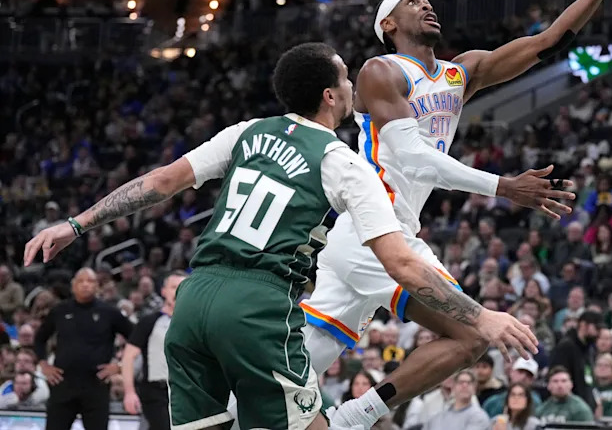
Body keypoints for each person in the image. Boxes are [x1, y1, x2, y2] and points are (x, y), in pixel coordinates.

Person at [26, 43, 537, 430]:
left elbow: (160, 182)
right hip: (258, 307)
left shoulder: (245, 132)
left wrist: (76, 224)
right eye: (346, 77)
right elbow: (401, 264)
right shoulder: (343, 162)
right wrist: (481, 316)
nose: (353, 85)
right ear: (331, 95)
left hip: (194, 299)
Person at [319, 0, 612, 430]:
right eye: (412, 2)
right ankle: (351, 418)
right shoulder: (380, 71)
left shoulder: (461, 73)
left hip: (396, 231)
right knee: (473, 333)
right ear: (388, 23)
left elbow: (549, 41)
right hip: (372, 230)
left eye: (428, 1)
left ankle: (257, 413)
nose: (427, 6)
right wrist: (505, 186)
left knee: (297, 361)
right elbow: (414, 159)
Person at [33, 268, 131, 430]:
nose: (85, 285)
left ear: (97, 286)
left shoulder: (109, 312)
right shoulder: (60, 310)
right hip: (63, 383)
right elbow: (39, 339)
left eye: (90, 281)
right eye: (81, 281)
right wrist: (44, 364)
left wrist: (120, 366)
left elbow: (135, 338)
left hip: (96, 384)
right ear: (73, 286)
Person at [121, 270, 188, 430]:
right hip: (156, 391)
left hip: (187, 391)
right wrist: (129, 392)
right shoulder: (150, 321)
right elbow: (128, 357)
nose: (178, 292)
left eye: (183, 287)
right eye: (174, 287)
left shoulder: (197, 322)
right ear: (163, 291)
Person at [549, 310, 603, 409]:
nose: (598, 333)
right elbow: (557, 375)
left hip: (586, 406)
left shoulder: (588, 349)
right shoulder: (566, 347)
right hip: (569, 408)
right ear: (583, 325)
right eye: (597, 328)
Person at [422, 370, 489, 430]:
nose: (464, 385)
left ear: (474, 388)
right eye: (461, 382)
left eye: (469, 382)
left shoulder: (479, 416)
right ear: (453, 387)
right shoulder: (438, 417)